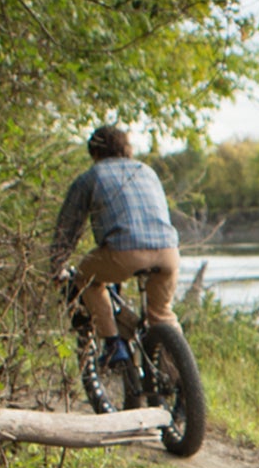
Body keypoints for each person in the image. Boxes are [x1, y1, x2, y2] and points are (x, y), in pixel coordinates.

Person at [51, 125, 181, 366]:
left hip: (124, 253)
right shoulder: (147, 171)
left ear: (94, 152)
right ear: (126, 148)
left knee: (86, 277)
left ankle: (113, 344)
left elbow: (68, 228)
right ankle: (184, 386)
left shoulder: (91, 177)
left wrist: (57, 266)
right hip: (168, 252)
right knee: (161, 315)